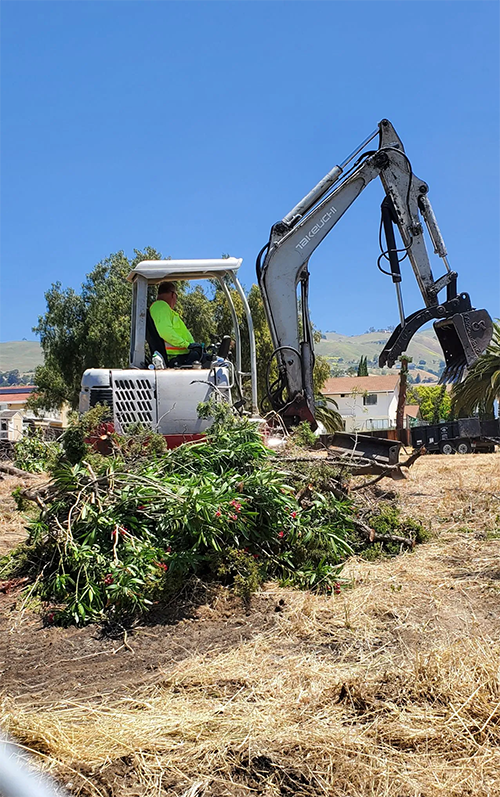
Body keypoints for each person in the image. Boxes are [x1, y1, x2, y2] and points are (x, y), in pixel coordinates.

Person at [149, 282, 203, 366]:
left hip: (181, 356)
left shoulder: (162, 308)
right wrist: (188, 345)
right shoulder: (161, 306)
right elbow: (166, 332)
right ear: (173, 295)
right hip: (176, 358)